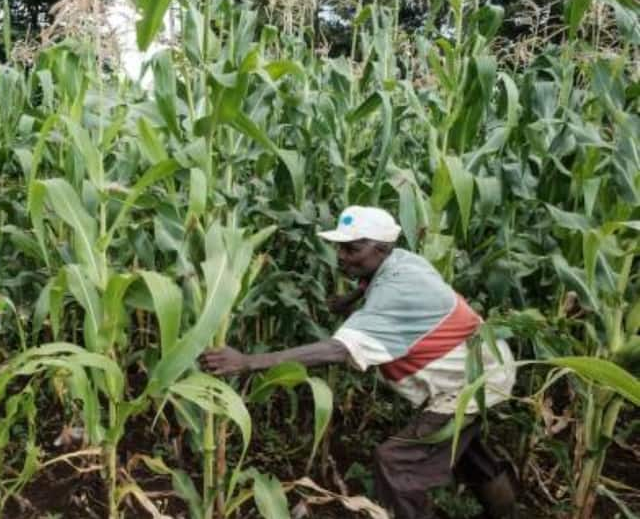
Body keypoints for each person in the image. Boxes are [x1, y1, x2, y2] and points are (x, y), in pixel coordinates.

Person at [200, 206, 518, 519]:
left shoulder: (395, 293)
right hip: (485, 364)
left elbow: (337, 350)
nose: (341, 256)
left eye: (352, 249)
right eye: (340, 247)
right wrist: (349, 300)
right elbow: (373, 281)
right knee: (466, 453)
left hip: (476, 381)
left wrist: (247, 362)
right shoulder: (402, 261)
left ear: (380, 248)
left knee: (396, 462)